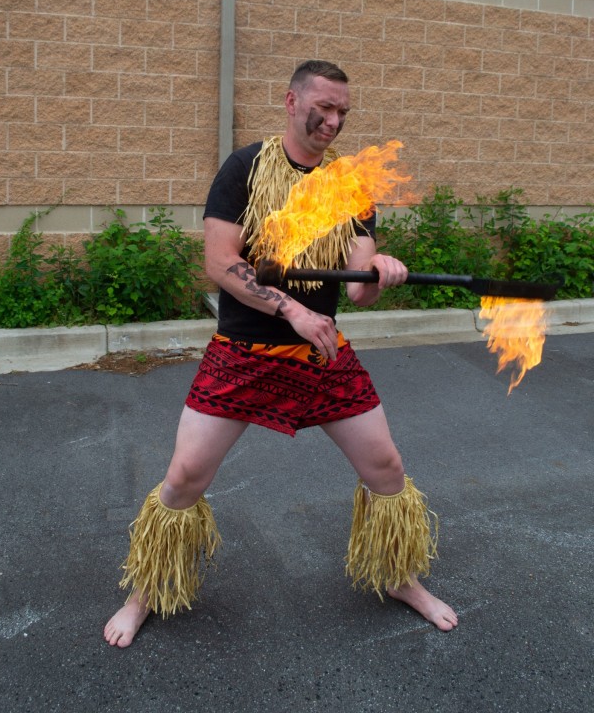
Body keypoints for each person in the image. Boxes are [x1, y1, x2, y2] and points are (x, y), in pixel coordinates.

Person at [104, 60, 458, 648]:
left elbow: (357, 291)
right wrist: (290, 309)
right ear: (291, 102)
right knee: (186, 475)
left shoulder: (350, 185)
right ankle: (144, 589)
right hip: (243, 349)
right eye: (324, 106)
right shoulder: (245, 168)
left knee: (386, 468)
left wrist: (379, 273)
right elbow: (220, 264)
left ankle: (398, 577)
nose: (334, 120)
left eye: (343, 111)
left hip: (320, 352)